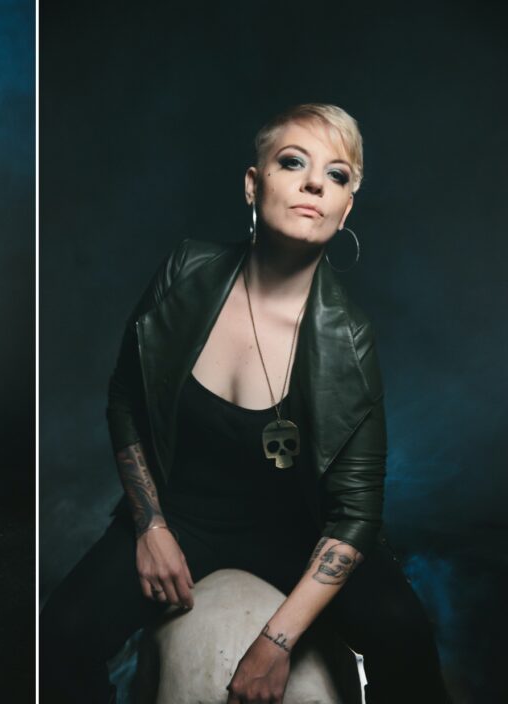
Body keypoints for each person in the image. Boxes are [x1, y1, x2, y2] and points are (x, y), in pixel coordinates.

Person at [39, 105, 451, 703]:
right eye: (293, 163)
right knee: (61, 634)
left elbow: (357, 517)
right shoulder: (186, 270)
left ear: (346, 209)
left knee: (407, 634)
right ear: (253, 185)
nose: (315, 183)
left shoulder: (350, 337)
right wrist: (151, 525)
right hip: (180, 515)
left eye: (337, 176)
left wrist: (274, 643)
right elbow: (125, 395)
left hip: (299, 533)